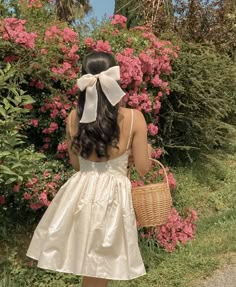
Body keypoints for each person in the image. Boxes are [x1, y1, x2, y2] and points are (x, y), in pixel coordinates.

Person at [26, 51, 152, 287]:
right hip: (111, 198)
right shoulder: (135, 118)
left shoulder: (74, 117)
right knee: (99, 268)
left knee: (90, 269)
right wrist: (139, 154)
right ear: (114, 78)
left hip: (79, 194)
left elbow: (76, 164)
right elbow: (144, 168)